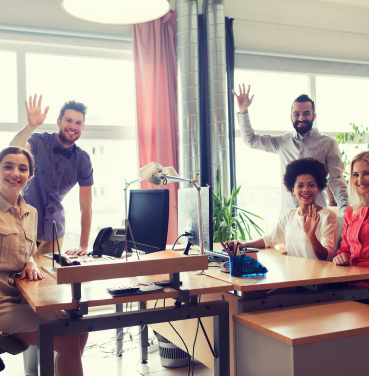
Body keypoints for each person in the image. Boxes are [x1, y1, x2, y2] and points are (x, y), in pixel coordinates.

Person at [0, 146, 87, 376]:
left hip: (24, 296)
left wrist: (29, 261)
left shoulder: (31, 212)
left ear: (29, 176)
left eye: (22, 168)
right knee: (67, 341)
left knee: (80, 327)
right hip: (1, 302)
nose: (15, 173)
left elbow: (25, 249)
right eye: (8, 166)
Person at [232, 84, 348, 217]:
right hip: (287, 218)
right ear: (291, 116)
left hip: (318, 218)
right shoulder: (283, 141)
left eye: (306, 113)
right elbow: (250, 140)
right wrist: (243, 111)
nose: (301, 118)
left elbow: (337, 180)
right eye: (296, 114)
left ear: (314, 116)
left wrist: (345, 213)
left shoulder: (328, 144)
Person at [10, 94, 93, 256]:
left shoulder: (83, 160)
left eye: (78, 123)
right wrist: (30, 126)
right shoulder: (38, 142)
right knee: (21, 279)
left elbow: (86, 205)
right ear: (58, 122)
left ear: (83, 127)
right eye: (68, 120)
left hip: (54, 234)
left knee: (50, 280)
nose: (73, 126)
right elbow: (13, 151)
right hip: (22, 227)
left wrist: (83, 245)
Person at [235, 158, 339, 261]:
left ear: (319, 188)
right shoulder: (289, 215)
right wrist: (244, 245)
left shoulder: (328, 217)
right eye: (300, 185)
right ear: (293, 190)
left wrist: (311, 236)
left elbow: (327, 257)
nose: (306, 189)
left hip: (318, 276)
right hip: (292, 274)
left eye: (311, 185)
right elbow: (269, 240)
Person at [333, 151, 369, 268]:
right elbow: (345, 250)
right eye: (356, 175)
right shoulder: (350, 212)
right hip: (348, 276)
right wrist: (341, 257)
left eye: (366, 173)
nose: (360, 180)